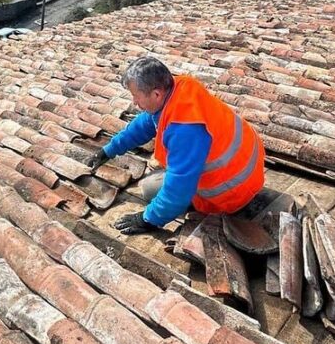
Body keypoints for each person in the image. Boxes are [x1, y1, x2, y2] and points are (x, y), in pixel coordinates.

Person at [94, 56, 265, 234]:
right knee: (160, 181)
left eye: (136, 97)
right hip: (249, 170)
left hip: (231, 193)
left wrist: (147, 219)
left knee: (149, 188)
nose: (135, 103)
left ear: (156, 94)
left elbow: (178, 191)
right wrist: (109, 150)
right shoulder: (180, 87)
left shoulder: (185, 130)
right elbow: (145, 123)